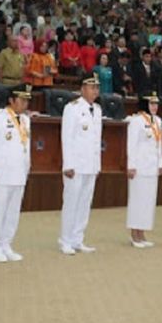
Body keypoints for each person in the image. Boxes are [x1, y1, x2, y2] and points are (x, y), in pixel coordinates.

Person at [0, 84, 32, 262]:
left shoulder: (26, 120)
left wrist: (27, 167)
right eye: (22, 99)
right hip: (2, 173)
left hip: (19, 173)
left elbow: (26, 146)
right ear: (11, 100)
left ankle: (6, 244)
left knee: (13, 212)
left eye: (27, 100)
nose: (25, 103)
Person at [59, 73, 103, 256]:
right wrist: (67, 164)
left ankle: (77, 238)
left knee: (85, 203)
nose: (95, 91)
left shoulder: (98, 109)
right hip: (75, 166)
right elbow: (66, 137)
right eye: (92, 87)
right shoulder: (72, 108)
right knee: (72, 202)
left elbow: (96, 140)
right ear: (82, 89)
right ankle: (65, 240)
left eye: (97, 88)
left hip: (90, 165)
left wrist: (97, 165)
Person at [126, 93, 162, 248]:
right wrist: (131, 165)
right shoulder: (136, 121)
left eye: (156, 104)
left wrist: (160, 163)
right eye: (151, 103)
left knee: (148, 201)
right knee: (137, 200)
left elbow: (159, 144)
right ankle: (134, 234)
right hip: (139, 167)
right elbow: (132, 145)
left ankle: (143, 233)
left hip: (152, 166)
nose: (155, 107)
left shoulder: (158, 121)